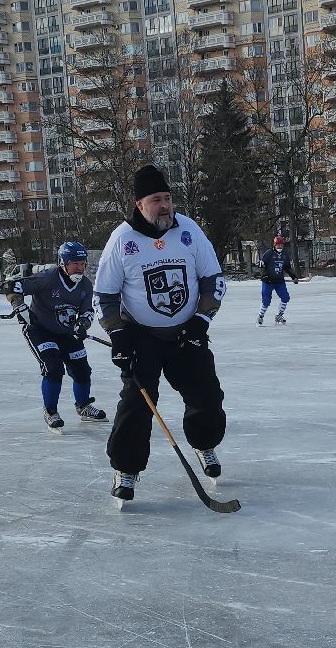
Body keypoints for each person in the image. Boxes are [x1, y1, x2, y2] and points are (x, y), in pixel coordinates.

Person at [95, 164, 229, 504]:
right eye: (157, 200)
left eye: (168, 198)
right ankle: (126, 470)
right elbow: (105, 296)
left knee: (207, 395)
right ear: (139, 204)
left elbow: (214, 280)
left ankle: (204, 444)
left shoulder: (189, 231)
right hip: (141, 336)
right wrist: (118, 337)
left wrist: (200, 321)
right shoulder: (122, 240)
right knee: (137, 405)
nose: (166, 205)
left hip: (187, 331)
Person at [17, 241, 105, 430]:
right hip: (41, 331)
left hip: (67, 333)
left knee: (82, 371)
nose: (80, 268)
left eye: (82, 263)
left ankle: (83, 406)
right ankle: (50, 411)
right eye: (75, 263)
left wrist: (83, 323)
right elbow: (12, 288)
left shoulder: (85, 285)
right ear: (63, 263)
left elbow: (88, 310)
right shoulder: (47, 278)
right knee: (53, 368)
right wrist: (20, 308)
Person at [255, 234, 301, 324]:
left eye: (281, 245)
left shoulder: (285, 255)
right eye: (278, 245)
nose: (279, 246)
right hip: (268, 281)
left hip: (279, 281)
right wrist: (264, 275)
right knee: (266, 301)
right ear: (274, 245)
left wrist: (293, 276)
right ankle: (260, 316)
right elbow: (262, 265)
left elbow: (287, 268)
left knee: (285, 297)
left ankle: (279, 315)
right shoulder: (269, 253)